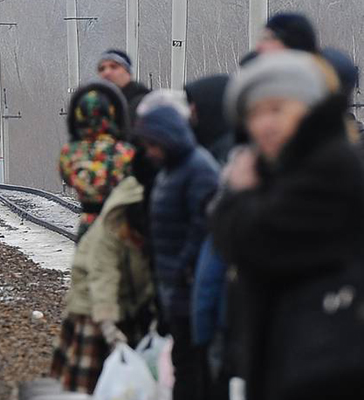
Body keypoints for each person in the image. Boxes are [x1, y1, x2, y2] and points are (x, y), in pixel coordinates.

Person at [215, 50, 364, 400]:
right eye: (254, 114)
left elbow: (252, 243)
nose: (265, 124)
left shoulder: (330, 165)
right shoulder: (288, 168)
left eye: (277, 109)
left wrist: (236, 194)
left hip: (327, 369)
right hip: (296, 362)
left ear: (309, 107)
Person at [133, 102, 220, 400]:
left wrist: (183, 269)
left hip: (190, 287)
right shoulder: (171, 170)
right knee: (184, 364)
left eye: (153, 144)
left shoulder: (197, 169)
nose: (150, 152)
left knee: (192, 368)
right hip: (176, 287)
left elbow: (202, 228)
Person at [55, 147, 158, 395]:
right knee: (90, 378)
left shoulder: (151, 216)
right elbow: (103, 277)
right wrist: (109, 327)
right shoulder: (111, 229)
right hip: (91, 300)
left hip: (132, 301)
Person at [58, 79, 135, 240]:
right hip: (119, 224)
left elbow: (68, 178)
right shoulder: (125, 152)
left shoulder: (70, 153)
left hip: (88, 225)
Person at [185, 75, 232, 163]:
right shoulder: (204, 145)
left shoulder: (227, 155)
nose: (191, 109)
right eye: (190, 102)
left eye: (196, 102)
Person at [97, 49, 151, 123]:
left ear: (128, 72)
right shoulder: (94, 106)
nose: (107, 72)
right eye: (101, 69)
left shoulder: (146, 104)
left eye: (114, 67)